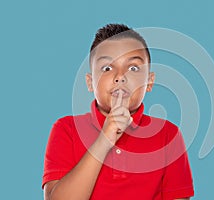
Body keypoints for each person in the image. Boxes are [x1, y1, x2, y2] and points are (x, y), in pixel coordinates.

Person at [42, 23, 194, 200]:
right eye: (107, 68)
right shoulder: (66, 129)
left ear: (150, 81)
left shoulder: (169, 134)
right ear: (90, 82)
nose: (120, 76)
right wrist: (104, 140)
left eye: (133, 68)